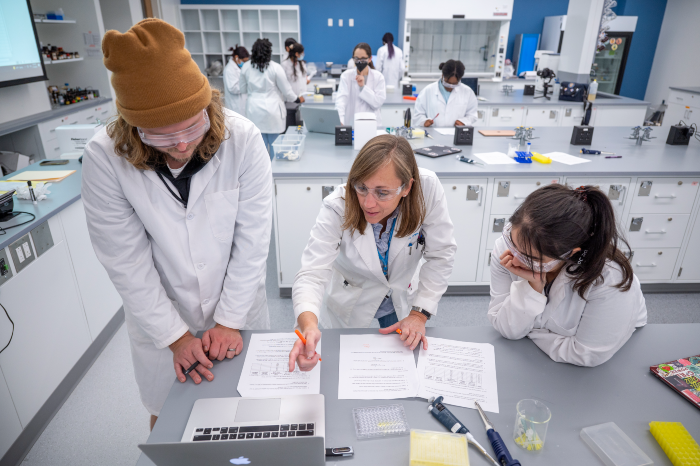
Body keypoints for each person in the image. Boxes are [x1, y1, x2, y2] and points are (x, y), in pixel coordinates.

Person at [83, 19, 272, 429]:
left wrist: (228, 320)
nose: (182, 144)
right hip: (162, 316)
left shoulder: (243, 139)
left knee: (251, 411)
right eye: (161, 136)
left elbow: (253, 240)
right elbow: (124, 260)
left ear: (208, 105)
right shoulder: (104, 158)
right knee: (169, 416)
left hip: (237, 307)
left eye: (191, 125)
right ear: (132, 129)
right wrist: (175, 337)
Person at [288, 135, 457, 372]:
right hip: (352, 299)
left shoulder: (426, 189)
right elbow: (312, 273)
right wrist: (307, 325)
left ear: (407, 187)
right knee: (344, 369)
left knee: (398, 371)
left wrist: (419, 314)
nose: (368, 203)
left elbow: (441, 254)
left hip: (402, 299)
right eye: (362, 187)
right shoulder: (337, 206)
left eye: (382, 192)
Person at [488, 184, 647, 367]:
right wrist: (533, 286)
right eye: (512, 242)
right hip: (539, 358)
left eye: (530, 257)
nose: (513, 258)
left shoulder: (610, 279)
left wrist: (531, 330)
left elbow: (587, 354)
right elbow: (507, 329)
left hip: (620, 356)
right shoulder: (506, 249)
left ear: (570, 253)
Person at [240, 38, 302, 156]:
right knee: (276, 148)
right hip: (273, 112)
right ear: (269, 52)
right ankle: (275, 173)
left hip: (254, 112)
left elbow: (242, 89)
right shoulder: (275, 67)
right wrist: (297, 99)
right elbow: (287, 91)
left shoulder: (246, 67)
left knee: (258, 151)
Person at [414, 60, 478, 127]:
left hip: (456, 133)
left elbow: (472, 115)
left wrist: (464, 121)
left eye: (454, 84)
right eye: (447, 83)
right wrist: (424, 121)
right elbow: (418, 115)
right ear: (442, 75)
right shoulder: (427, 91)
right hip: (432, 134)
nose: (450, 87)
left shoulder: (468, 92)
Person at [336, 43, 386, 126]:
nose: (359, 62)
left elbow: (377, 103)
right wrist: (340, 120)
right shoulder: (346, 76)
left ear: (370, 59)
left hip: (372, 126)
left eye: (363, 59)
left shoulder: (378, 77)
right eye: (356, 58)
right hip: (351, 125)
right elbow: (341, 101)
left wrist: (363, 87)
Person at [223, 44, 250, 116]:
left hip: (241, 104)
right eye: (243, 61)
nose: (244, 63)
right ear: (236, 57)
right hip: (235, 106)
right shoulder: (229, 70)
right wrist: (247, 85)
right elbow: (233, 88)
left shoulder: (238, 67)